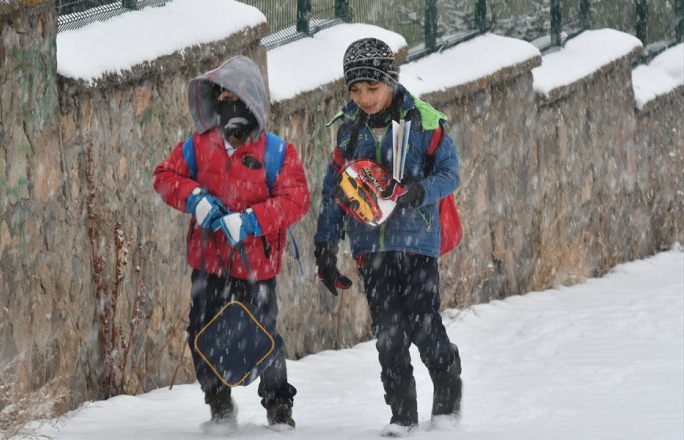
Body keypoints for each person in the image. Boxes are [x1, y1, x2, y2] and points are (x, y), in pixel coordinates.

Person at [313, 38, 463, 437]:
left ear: (391, 81)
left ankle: (447, 385)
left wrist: (418, 192)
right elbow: (335, 192)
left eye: (372, 88)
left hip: (416, 241)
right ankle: (402, 417)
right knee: (388, 333)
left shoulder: (425, 123)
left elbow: (450, 174)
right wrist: (325, 246)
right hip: (370, 247)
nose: (364, 98)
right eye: (355, 90)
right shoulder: (347, 131)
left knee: (422, 322)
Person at [153, 55, 309, 430]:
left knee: (264, 334)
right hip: (208, 261)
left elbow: (296, 199)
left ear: (251, 101)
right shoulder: (196, 146)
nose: (227, 105)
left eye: (234, 97)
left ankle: (277, 405)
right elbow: (164, 177)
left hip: (258, 265)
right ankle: (218, 400)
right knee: (201, 331)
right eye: (220, 97)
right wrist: (195, 199)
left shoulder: (276, 152)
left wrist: (252, 221)